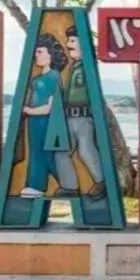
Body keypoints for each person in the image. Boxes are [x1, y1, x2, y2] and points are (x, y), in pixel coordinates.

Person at [53, 25, 106, 197]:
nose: (68, 45)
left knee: (86, 150)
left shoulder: (86, 68)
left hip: (84, 117)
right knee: (62, 151)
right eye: (68, 40)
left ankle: (101, 182)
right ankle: (70, 186)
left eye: (73, 41)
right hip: (69, 117)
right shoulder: (74, 67)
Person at [21, 34, 68, 197]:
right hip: (34, 123)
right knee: (36, 153)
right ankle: (36, 185)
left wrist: (29, 110)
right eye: (36, 52)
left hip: (46, 123)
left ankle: (67, 184)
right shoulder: (37, 78)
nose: (36, 55)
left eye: (40, 51)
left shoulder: (53, 76)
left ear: (50, 54)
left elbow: (50, 107)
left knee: (47, 154)